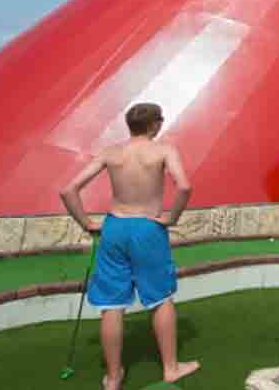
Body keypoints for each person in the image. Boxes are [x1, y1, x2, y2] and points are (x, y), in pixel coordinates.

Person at [59, 102, 200, 388]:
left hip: (114, 227)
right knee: (161, 298)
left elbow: (68, 190)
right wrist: (171, 218)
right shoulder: (163, 150)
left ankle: (113, 377)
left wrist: (86, 223)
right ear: (153, 125)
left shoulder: (111, 152)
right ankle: (170, 368)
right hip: (148, 227)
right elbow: (184, 187)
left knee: (111, 304)